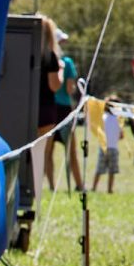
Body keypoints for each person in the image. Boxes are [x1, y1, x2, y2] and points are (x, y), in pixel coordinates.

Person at [46, 28, 83, 193]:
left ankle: (51, 185)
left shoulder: (46, 59)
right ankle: (79, 184)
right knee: (71, 150)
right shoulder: (67, 62)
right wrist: (73, 85)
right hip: (65, 110)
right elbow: (69, 89)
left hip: (49, 107)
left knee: (48, 150)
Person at [34, 16, 65, 194]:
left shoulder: (25, 52)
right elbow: (54, 85)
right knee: (46, 152)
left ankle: (32, 184)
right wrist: (60, 71)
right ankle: (48, 185)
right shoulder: (50, 57)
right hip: (45, 110)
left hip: (26, 108)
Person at [95, 99, 123, 193]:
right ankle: (109, 189)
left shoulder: (103, 117)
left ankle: (94, 187)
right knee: (112, 171)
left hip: (103, 148)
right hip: (114, 148)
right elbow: (121, 135)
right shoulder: (118, 120)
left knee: (99, 169)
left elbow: (98, 131)